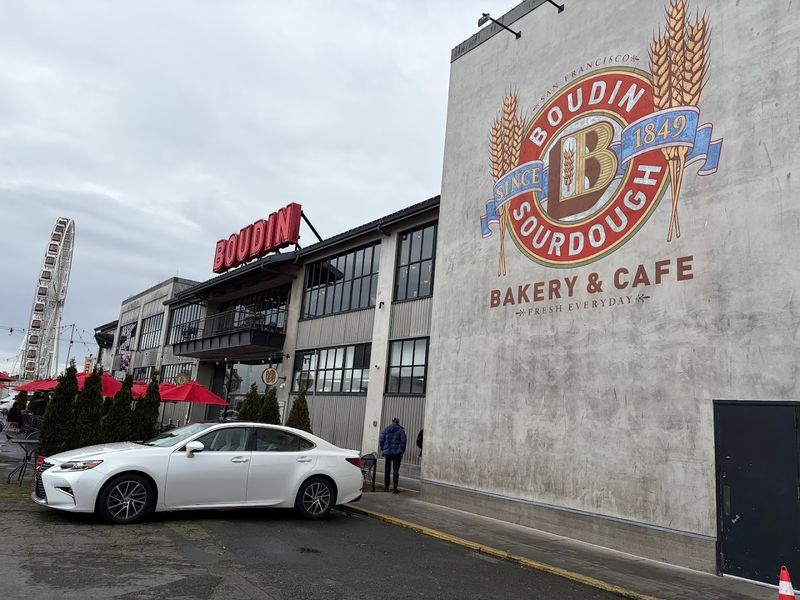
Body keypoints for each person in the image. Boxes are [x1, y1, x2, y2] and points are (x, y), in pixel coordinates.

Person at [379, 417, 406, 493]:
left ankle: (386, 487)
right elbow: (403, 442)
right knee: (395, 470)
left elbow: (381, 440)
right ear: (398, 422)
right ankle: (394, 488)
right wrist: (401, 451)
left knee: (387, 469)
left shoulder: (386, 429)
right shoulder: (401, 430)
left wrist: (383, 449)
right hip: (397, 454)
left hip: (388, 453)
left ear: (392, 422)